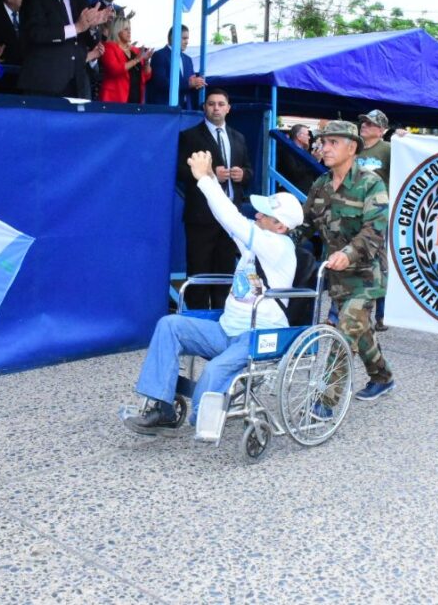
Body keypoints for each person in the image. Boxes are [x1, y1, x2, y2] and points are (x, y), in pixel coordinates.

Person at [125, 152, 304, 435]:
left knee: (215, 371)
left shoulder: (279, 247)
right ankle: (162, 407)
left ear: (281, 226)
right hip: (226, 329)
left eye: (264, 215)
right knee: (170, 325)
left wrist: (203, 181)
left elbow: (233, 219)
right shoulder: (256, 243)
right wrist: (208, 177)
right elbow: (226, 219)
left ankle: (202, 418)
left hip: (257, 336)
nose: (256, 214)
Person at [293, 120, 396, 401]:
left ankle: (325, 402)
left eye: (332, 143)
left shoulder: (370, 183)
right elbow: (306, 224)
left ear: (352, 148)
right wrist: (279, 236)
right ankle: (382, 377)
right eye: (323, 142)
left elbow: (373, 232)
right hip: (337, 279)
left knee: (345, 334)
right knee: (361, 332)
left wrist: (347, 253)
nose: (324, 148)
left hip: (366, 277)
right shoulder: (321, 184)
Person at [177, 88, 253, 309]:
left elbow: (250, 169)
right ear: (204, 108)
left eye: (221, 104)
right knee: (199, 273)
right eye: (211, 104)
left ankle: (223, 318)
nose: (216, 108)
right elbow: (180, 172)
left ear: (228, 108)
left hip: (230, 218)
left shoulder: (238, 137)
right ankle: (196, 324)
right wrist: (209, 175)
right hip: (201, 216)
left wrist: (243, 175)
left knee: (225, 273)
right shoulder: (189, 136)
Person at [17, 0, 110, 98]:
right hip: (44, 84)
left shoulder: (80, 0)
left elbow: (90, 41)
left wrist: (93, 26)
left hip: (77, 84)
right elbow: (36, 33)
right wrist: (77, 27)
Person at [355, 109, 392, 331]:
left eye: (370, 124)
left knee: (378, 263)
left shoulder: (387, 150)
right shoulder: (354, 148)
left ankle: (382, 314)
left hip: (376, 215)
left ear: (381, 130)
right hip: (354, 212)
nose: (364, 126)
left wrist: (406, 139)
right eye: (364, 122)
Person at [146, 24, 206, 107]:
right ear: (173, 37)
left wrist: (197, 83)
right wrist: (189, 84)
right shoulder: (159, 55)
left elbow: (191, 81)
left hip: (185, 109)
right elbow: (161, 83)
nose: (187, 42)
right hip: (165, 108)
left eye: (187, 38)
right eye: (184, 38)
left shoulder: (188, 59)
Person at [98, 14, 151, 103]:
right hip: (115, 99)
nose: (129, 32)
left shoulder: (135, 50)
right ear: (117, 30)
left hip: (136, 99)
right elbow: (114, 70)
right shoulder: (108, 47)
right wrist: (136, 60)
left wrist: (146, 61)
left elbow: (146, 76)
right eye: (126, 29)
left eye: (130, 29)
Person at [278, 123, 322, 194]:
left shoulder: (305, 152)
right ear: (299, 136)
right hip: (293, 195)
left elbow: (312, 174)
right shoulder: (287, 151)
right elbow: (295, 174)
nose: (309, 137)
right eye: (307, 134)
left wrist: (317, 160)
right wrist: (313, 160)